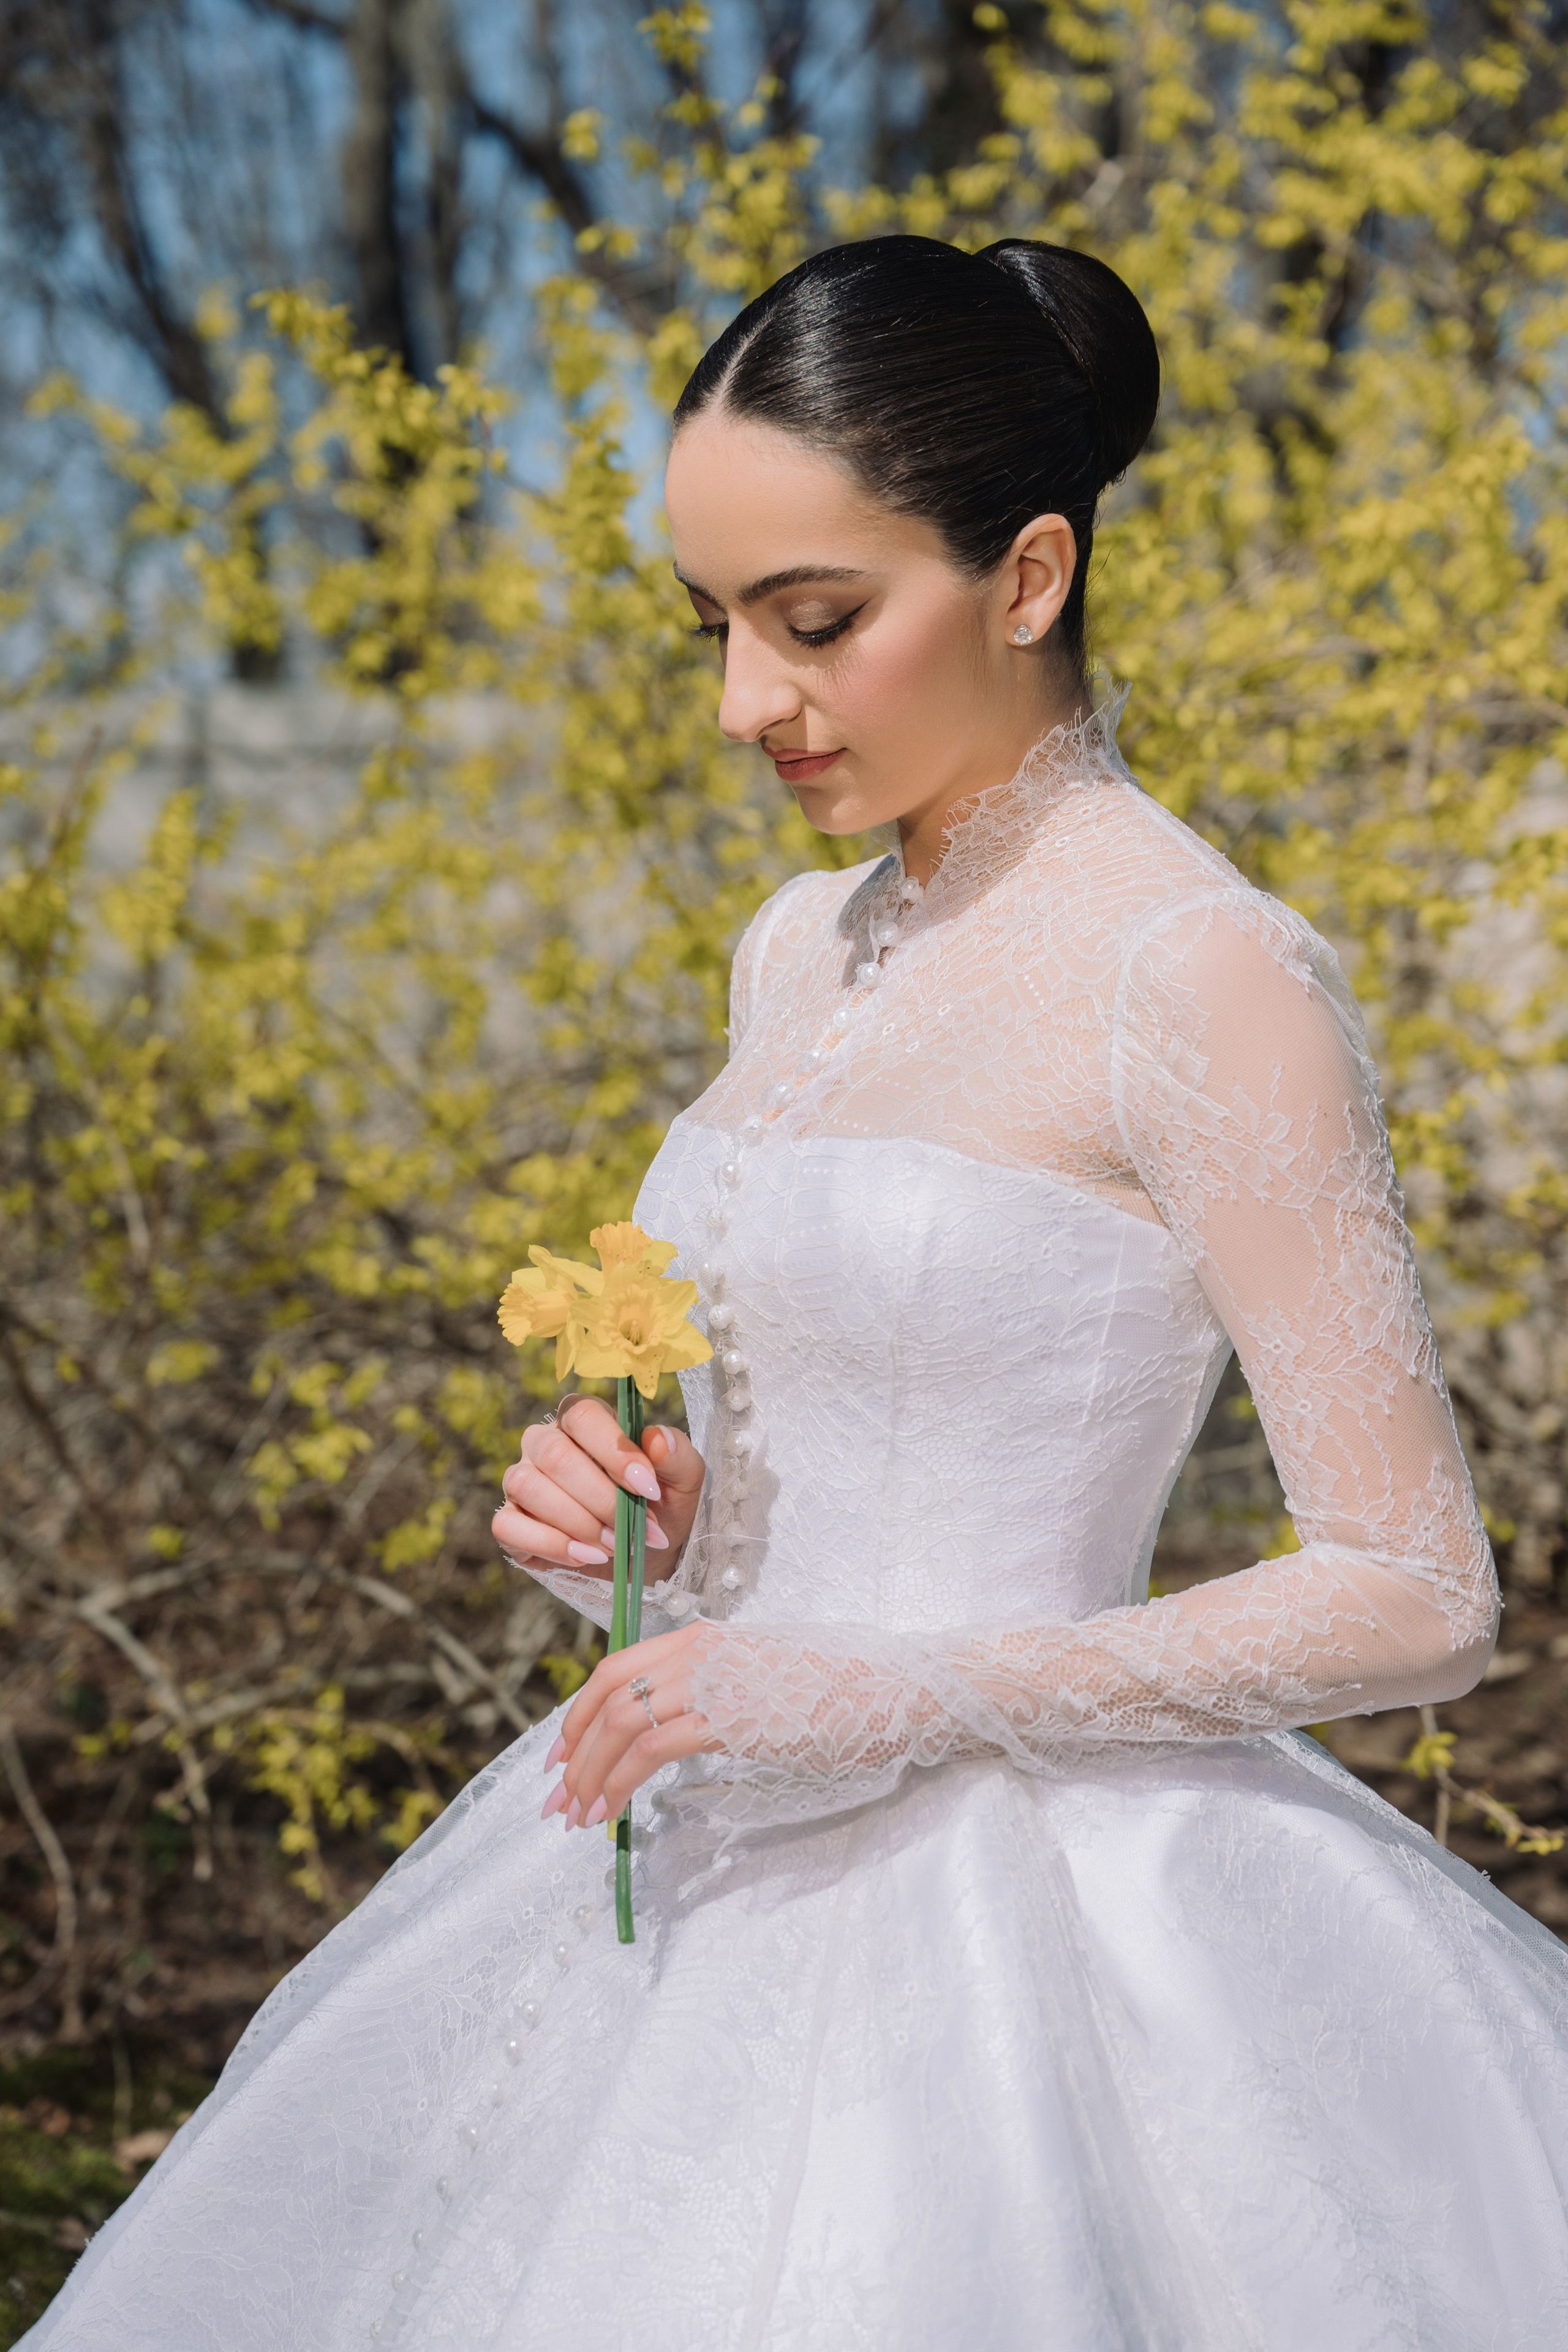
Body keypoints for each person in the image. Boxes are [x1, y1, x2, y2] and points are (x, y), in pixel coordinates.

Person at [23, 236, 1568, 2352]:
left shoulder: (1204, 972)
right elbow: (798, 1466)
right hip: (688, 1866)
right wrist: (631, 1533)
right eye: (717, 625)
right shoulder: (793, 945)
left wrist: (913, 1692)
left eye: (816, 621)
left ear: (1030, 577)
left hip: (1043, 1931)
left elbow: (1417, 1588)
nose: (749, 704)